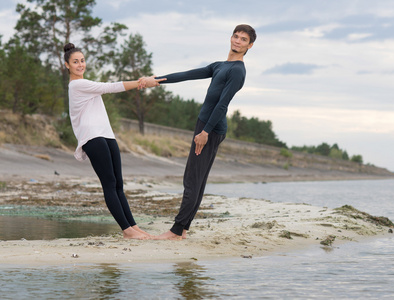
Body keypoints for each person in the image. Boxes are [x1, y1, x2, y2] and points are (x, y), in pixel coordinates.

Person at [138, 24, 256, 240]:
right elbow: (188, 74)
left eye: (243, 39)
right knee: (197, 179)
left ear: (250, 45)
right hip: (206, 125)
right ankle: (182, 230)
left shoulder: (238, 70)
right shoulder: (221, 65)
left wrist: (206, 132)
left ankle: (176, 231)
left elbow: (223, 104)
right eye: (236, 36)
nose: (237, 41)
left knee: (192, 179)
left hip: (210, 128)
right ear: (231, 38)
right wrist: (156, 80)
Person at [64, 43, 165, 240]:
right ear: (67, 65)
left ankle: (134, 227)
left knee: (118, 184)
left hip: (106, 135)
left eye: (82, 61)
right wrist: (142, 82)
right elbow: (110, 87)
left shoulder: (86, 84)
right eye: (75, 62)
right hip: (92, 137)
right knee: (109, 184)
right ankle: (127, 231)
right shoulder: (77, 85)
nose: (80, 64)